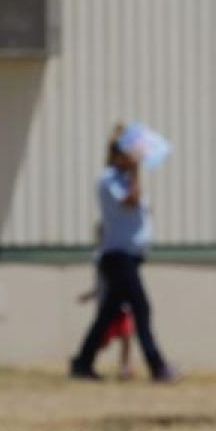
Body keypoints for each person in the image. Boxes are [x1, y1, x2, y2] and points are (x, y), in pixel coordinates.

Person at [70, 127, 176, 383]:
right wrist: (137, 171)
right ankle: (158, 366)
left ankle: (82, 363)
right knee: (141, 308)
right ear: (117, 155)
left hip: (131, 256)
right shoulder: (108, 180)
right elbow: (130, 202)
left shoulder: (127, 180)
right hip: (118, 256)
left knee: (107, 315)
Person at [77, 223, 137, 379]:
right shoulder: (100, 255)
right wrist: (91, 294)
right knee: (102, 339)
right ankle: (85, 362)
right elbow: (101, 282)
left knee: (126, 335)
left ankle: (125, 368)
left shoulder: (122, 251)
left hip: (123, 303)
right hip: (107, 303)